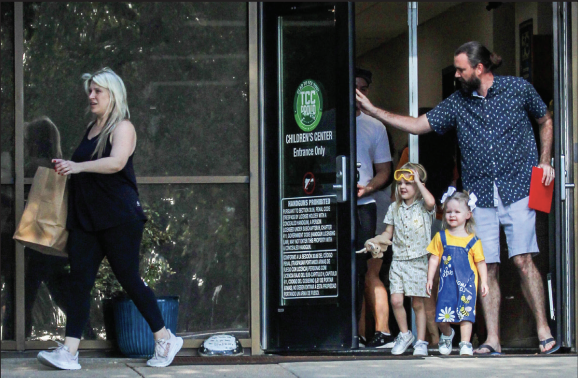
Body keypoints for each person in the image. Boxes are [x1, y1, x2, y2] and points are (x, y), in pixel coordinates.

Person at [356, 41, 558, 355]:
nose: (457, 76)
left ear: (480, 68)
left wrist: (545, 161)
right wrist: (374, 111)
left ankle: (544, 330)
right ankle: (492, 339)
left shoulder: (517, 88)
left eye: (462, 69)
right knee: (486, 266)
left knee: (522, 260)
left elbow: (545, 119)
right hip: (479, 196)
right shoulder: (458, 102)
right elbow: (418, 125)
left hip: (518, 188)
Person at [37, 68, 183, 370]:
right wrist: (65, 166)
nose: (91, 96)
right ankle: (69, 351)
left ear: (112, 95)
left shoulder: (123, 127)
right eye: (90, 90)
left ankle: (165, 338)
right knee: (79, 282)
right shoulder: (91, 128)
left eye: (97, 91)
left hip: (119, 218)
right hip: (86, 220)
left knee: (128, 278)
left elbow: (117, 163)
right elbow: (84, 167)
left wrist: (77, 168)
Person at [364, 163, 435, 356]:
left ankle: (421, 341)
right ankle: (405, 334)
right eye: (400, 183)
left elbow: (430, 201)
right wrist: (376, 241)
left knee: (417, 303)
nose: (403, 186)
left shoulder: (423, 207)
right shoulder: (394, 208)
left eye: (408, 183)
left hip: (418, 261)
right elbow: (388, 232)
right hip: (399, 262)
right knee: (396, 300)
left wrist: (419, 182)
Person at [354, 67, 394, 349]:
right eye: (353, 86)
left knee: (369, 270)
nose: (358, 93)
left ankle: (382, 332)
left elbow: (385, 171)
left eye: (363, 88)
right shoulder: (326, 121)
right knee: (346, 272)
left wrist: (368, 188)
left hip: (369, 204)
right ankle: (353, 334)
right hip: (331, 204)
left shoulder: (375, 125)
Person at [426, 188, 489, 355]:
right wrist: (430, 278)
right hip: (446, 284)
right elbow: (434, 259)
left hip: (467, 284)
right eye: (448, 211)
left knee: (466, 314)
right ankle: (447, 335)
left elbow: (481, 262)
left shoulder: (473, 240)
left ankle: (465, 343)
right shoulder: (441, 237)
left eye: (457, 211)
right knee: (442, 314)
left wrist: (484, 281)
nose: (452, 215)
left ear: (468, 214)